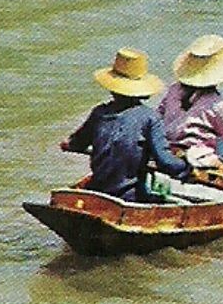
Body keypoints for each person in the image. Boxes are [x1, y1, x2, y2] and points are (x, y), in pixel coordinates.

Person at [61, 48, 190, 203]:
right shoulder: (150, 118)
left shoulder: (99, 113)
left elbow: (76, 144)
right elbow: (166, 162)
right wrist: (187, 168)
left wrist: (69, 144)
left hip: (98, 192)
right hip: (130, 196)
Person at [160, 34, 223, 173]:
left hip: (165, 151)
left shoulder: (174, 89)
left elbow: (158, 116)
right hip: (196, 158)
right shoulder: (217, 105)